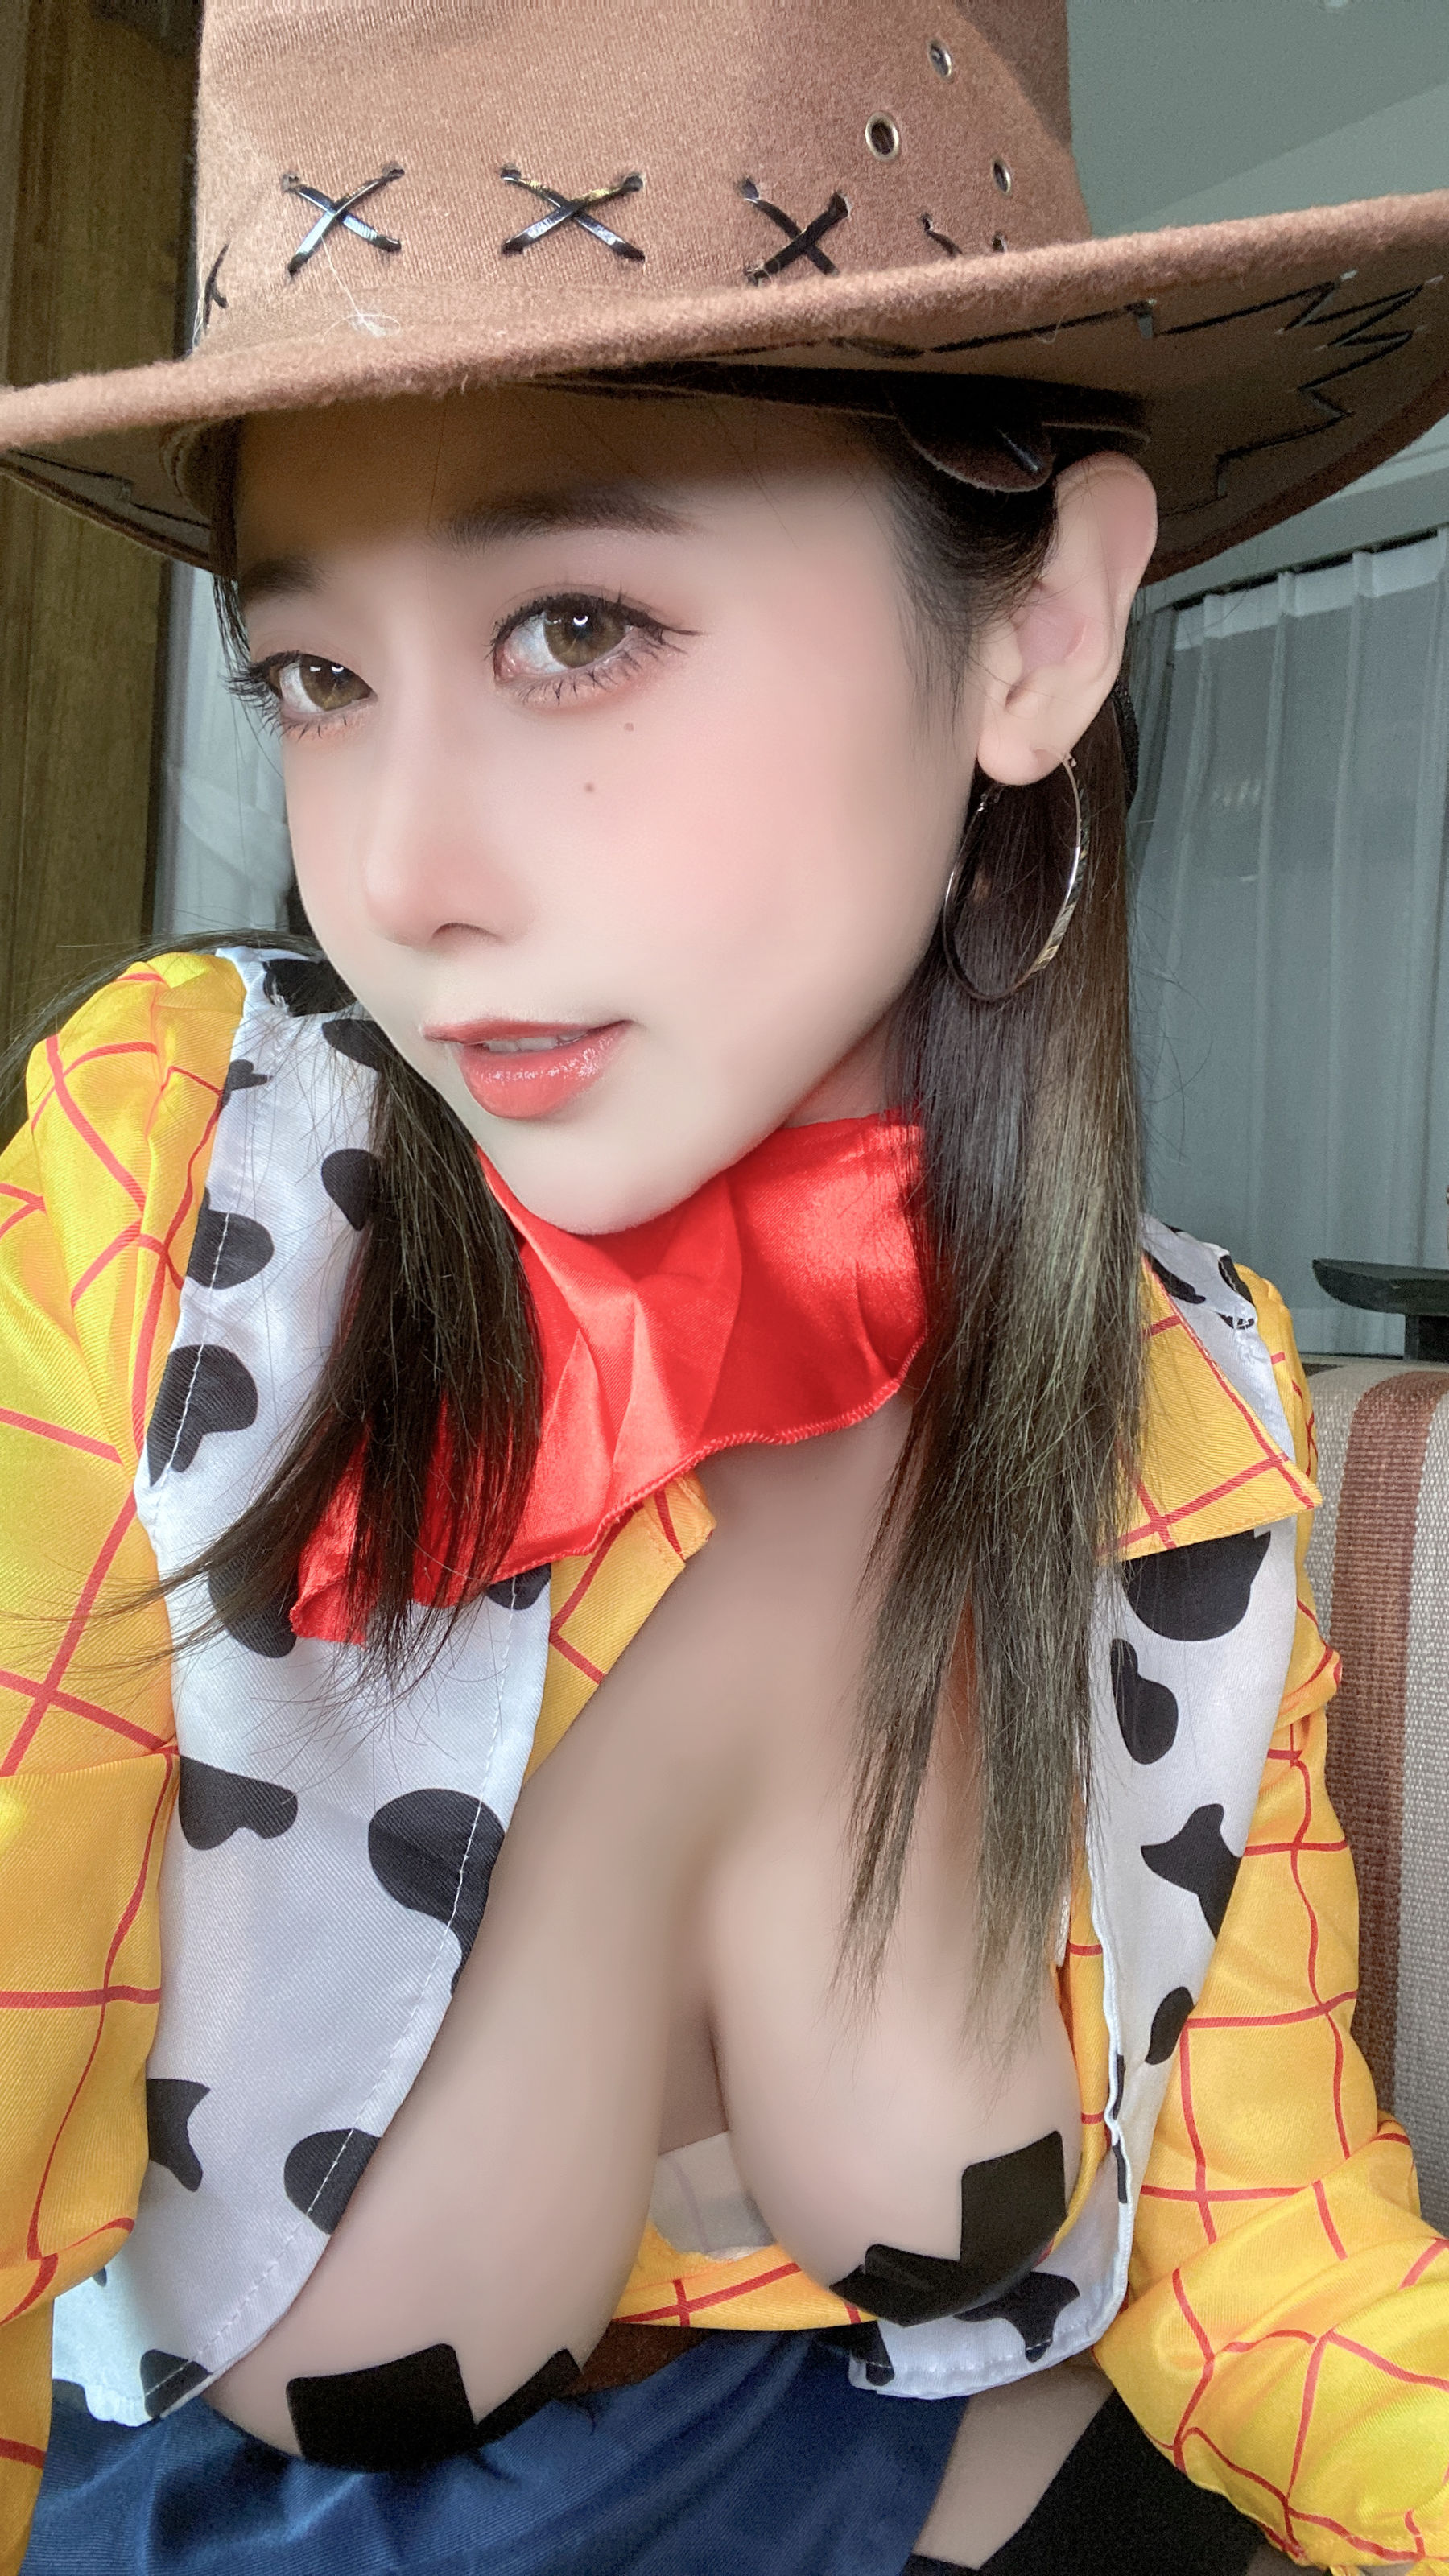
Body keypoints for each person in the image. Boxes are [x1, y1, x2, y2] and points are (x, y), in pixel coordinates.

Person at [0, 4, 1446, 2570]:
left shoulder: (1182, 1411)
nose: (404, 877)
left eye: (577, 626)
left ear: (1038, 632)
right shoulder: (176, 1208)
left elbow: (1285, 2292)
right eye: (314, 679)